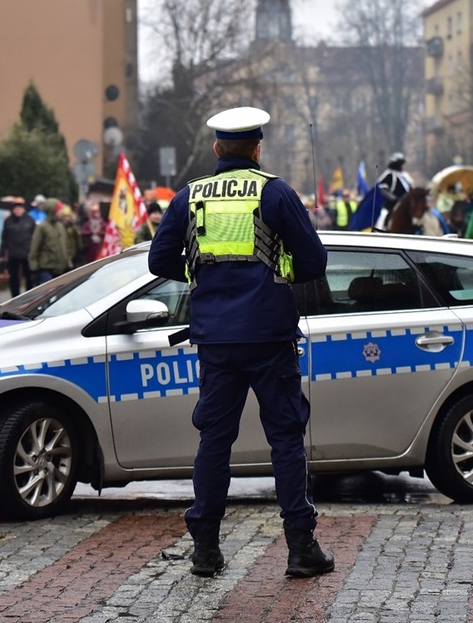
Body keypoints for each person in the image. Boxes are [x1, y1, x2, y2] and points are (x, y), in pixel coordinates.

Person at [148, 106, 333, 579]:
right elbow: (313, 264)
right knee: (286, 439)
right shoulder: (275, 192)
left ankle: (205, 550)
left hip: (215, 339)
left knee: (214, 440)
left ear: (216, 148)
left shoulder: (189, 196)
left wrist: (204, 274)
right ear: (257, 148)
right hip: (270, 336)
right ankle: (300, 547)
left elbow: (159, 260)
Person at [28, 198, 70, 285]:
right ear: (52, 211)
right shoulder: (42, 227)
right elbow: (34, 248)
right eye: (59, 210)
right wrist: (34, 268)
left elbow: (65, 246)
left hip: (60, 269)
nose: (61, 212)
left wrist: (68, 262)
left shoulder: (60, 226)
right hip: (46, 268)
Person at [0, 200, 36, 297]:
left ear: (24, 209)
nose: (18, 210)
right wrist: (2, 252)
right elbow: (4, 238)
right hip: (13, 253)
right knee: (13, 278)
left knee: (29, 277)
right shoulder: (8, 221)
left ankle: (30, 297)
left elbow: (35, 237)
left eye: (20, 208)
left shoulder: (30, 220)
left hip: (28, 253)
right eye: (16, 208)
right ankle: (15, 297)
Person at [374, 152, 413, 230]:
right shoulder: (388, 174)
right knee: (382, 217)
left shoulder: (405, 176)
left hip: (406, 205)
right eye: (400, 163)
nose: (402, 165)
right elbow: (382, 189)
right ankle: (380, 231)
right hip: (391, 205)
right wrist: (394, 198)